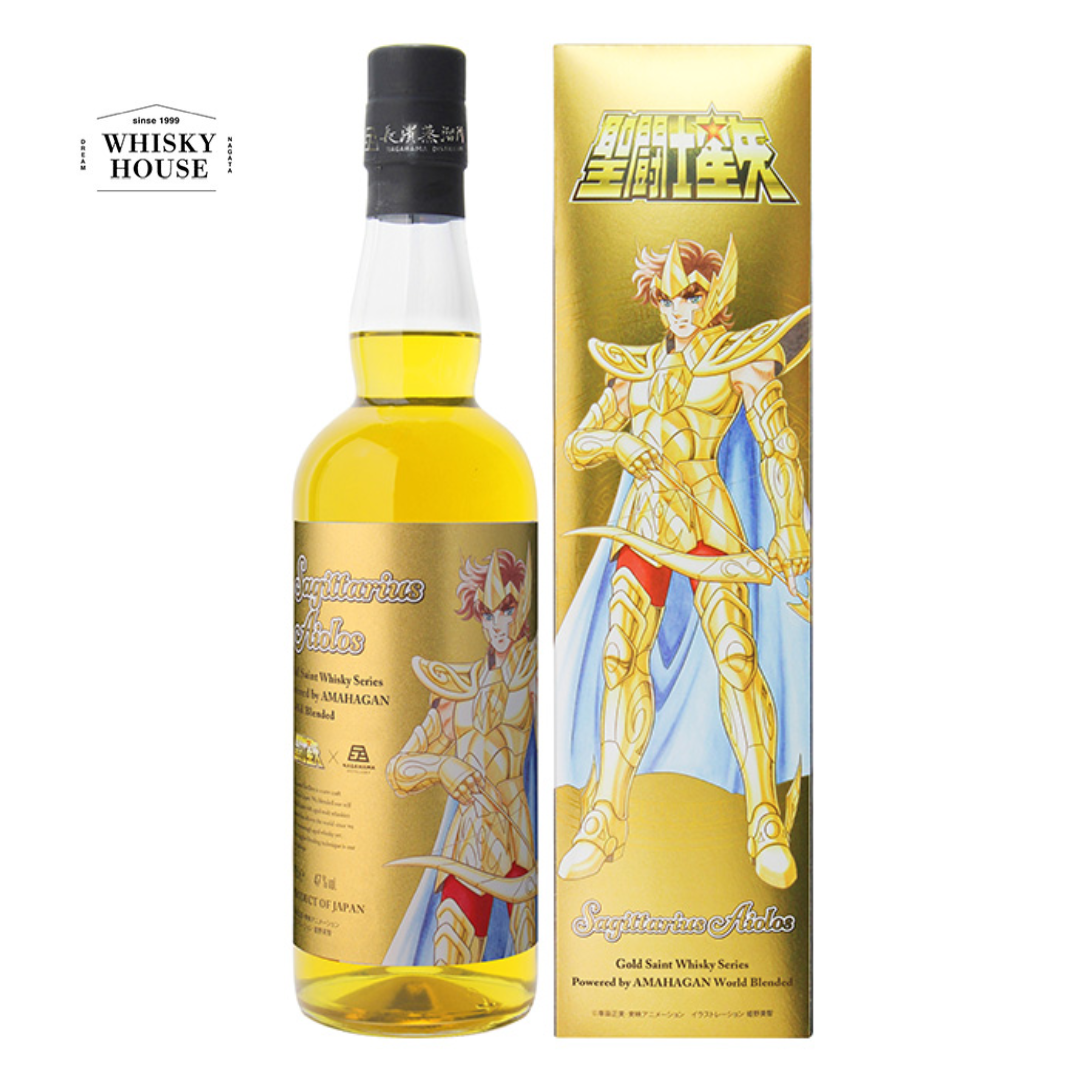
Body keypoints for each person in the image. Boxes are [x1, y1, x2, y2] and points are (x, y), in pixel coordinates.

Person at [558, 237, 810, 889]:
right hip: (645, 523)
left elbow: (778, 445)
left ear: (715, 295)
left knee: (736, 655)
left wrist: (789, 527)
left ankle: (764, 820)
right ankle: (605, 816)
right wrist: (618, 442)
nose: (678, 310)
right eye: (668, 299)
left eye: (690, 296)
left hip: (707, 519)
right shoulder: (635, 370)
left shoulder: (738, 361)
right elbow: (577, 444)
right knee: (620, 655)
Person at [386, 547, 537, 964]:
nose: (498, 625)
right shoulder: (459, 691)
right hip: (468, 842)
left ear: (523, 606)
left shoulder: (532, 676)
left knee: (522, 944)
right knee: (448, 947)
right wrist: (443, 766)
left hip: (520, 840)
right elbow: (398, 769)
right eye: (488, 615)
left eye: (507, 610)